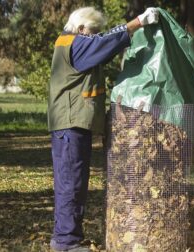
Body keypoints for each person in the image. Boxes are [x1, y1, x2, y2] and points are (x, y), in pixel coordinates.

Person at [47, 6, 159, 252]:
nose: (95, 36)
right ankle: (66, 242)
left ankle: (67, 237)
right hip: (70, 125)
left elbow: (103, 43)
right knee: (71, 183)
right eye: (92, 32)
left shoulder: (77, 42)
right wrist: (137, 22)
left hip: (74, 125)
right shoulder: (74, 43)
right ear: (80, 28)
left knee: (74, 181)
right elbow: (105, 42)